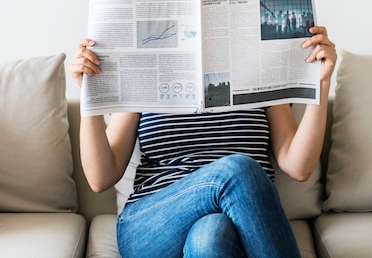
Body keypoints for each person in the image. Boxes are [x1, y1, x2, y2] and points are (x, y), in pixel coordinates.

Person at [70, 26, 337, 258]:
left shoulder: (258, 69)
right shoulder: (147, 68)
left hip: (232, 224)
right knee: (238, 171)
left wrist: (322, 83)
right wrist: (90, 97)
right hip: (151, 225)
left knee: (210, 236)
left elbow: (299, 166)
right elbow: (100, 178)